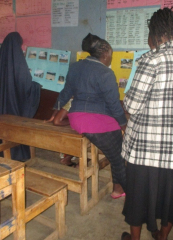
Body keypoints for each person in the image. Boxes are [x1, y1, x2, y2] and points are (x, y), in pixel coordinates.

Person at [121, 8, 173, 240]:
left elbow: (132, 104)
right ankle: (162, 236)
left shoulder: (151, 60)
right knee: (172, 199)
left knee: (138, 197)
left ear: (155, 35)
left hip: (145, 149)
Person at [53, 33, 127, 198]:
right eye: (111, 56)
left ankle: (118, 186)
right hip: (95, 122)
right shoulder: (106, 73)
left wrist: (55, 110)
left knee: (114, 150)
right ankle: (119, 189)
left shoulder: (75, 67)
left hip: (76, 119)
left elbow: (66, 92)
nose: (111, 59)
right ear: (105, 55)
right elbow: (114, 104)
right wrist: (123, 125)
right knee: (120, 153)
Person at [0, 32, 41, 161]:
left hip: (4, 100)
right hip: (14, 101)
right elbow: (24, 83)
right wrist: (36, 86)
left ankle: (3, 151)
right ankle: (16, 154)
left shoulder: (1, 57)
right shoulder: (17, 57)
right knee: (16, 126)